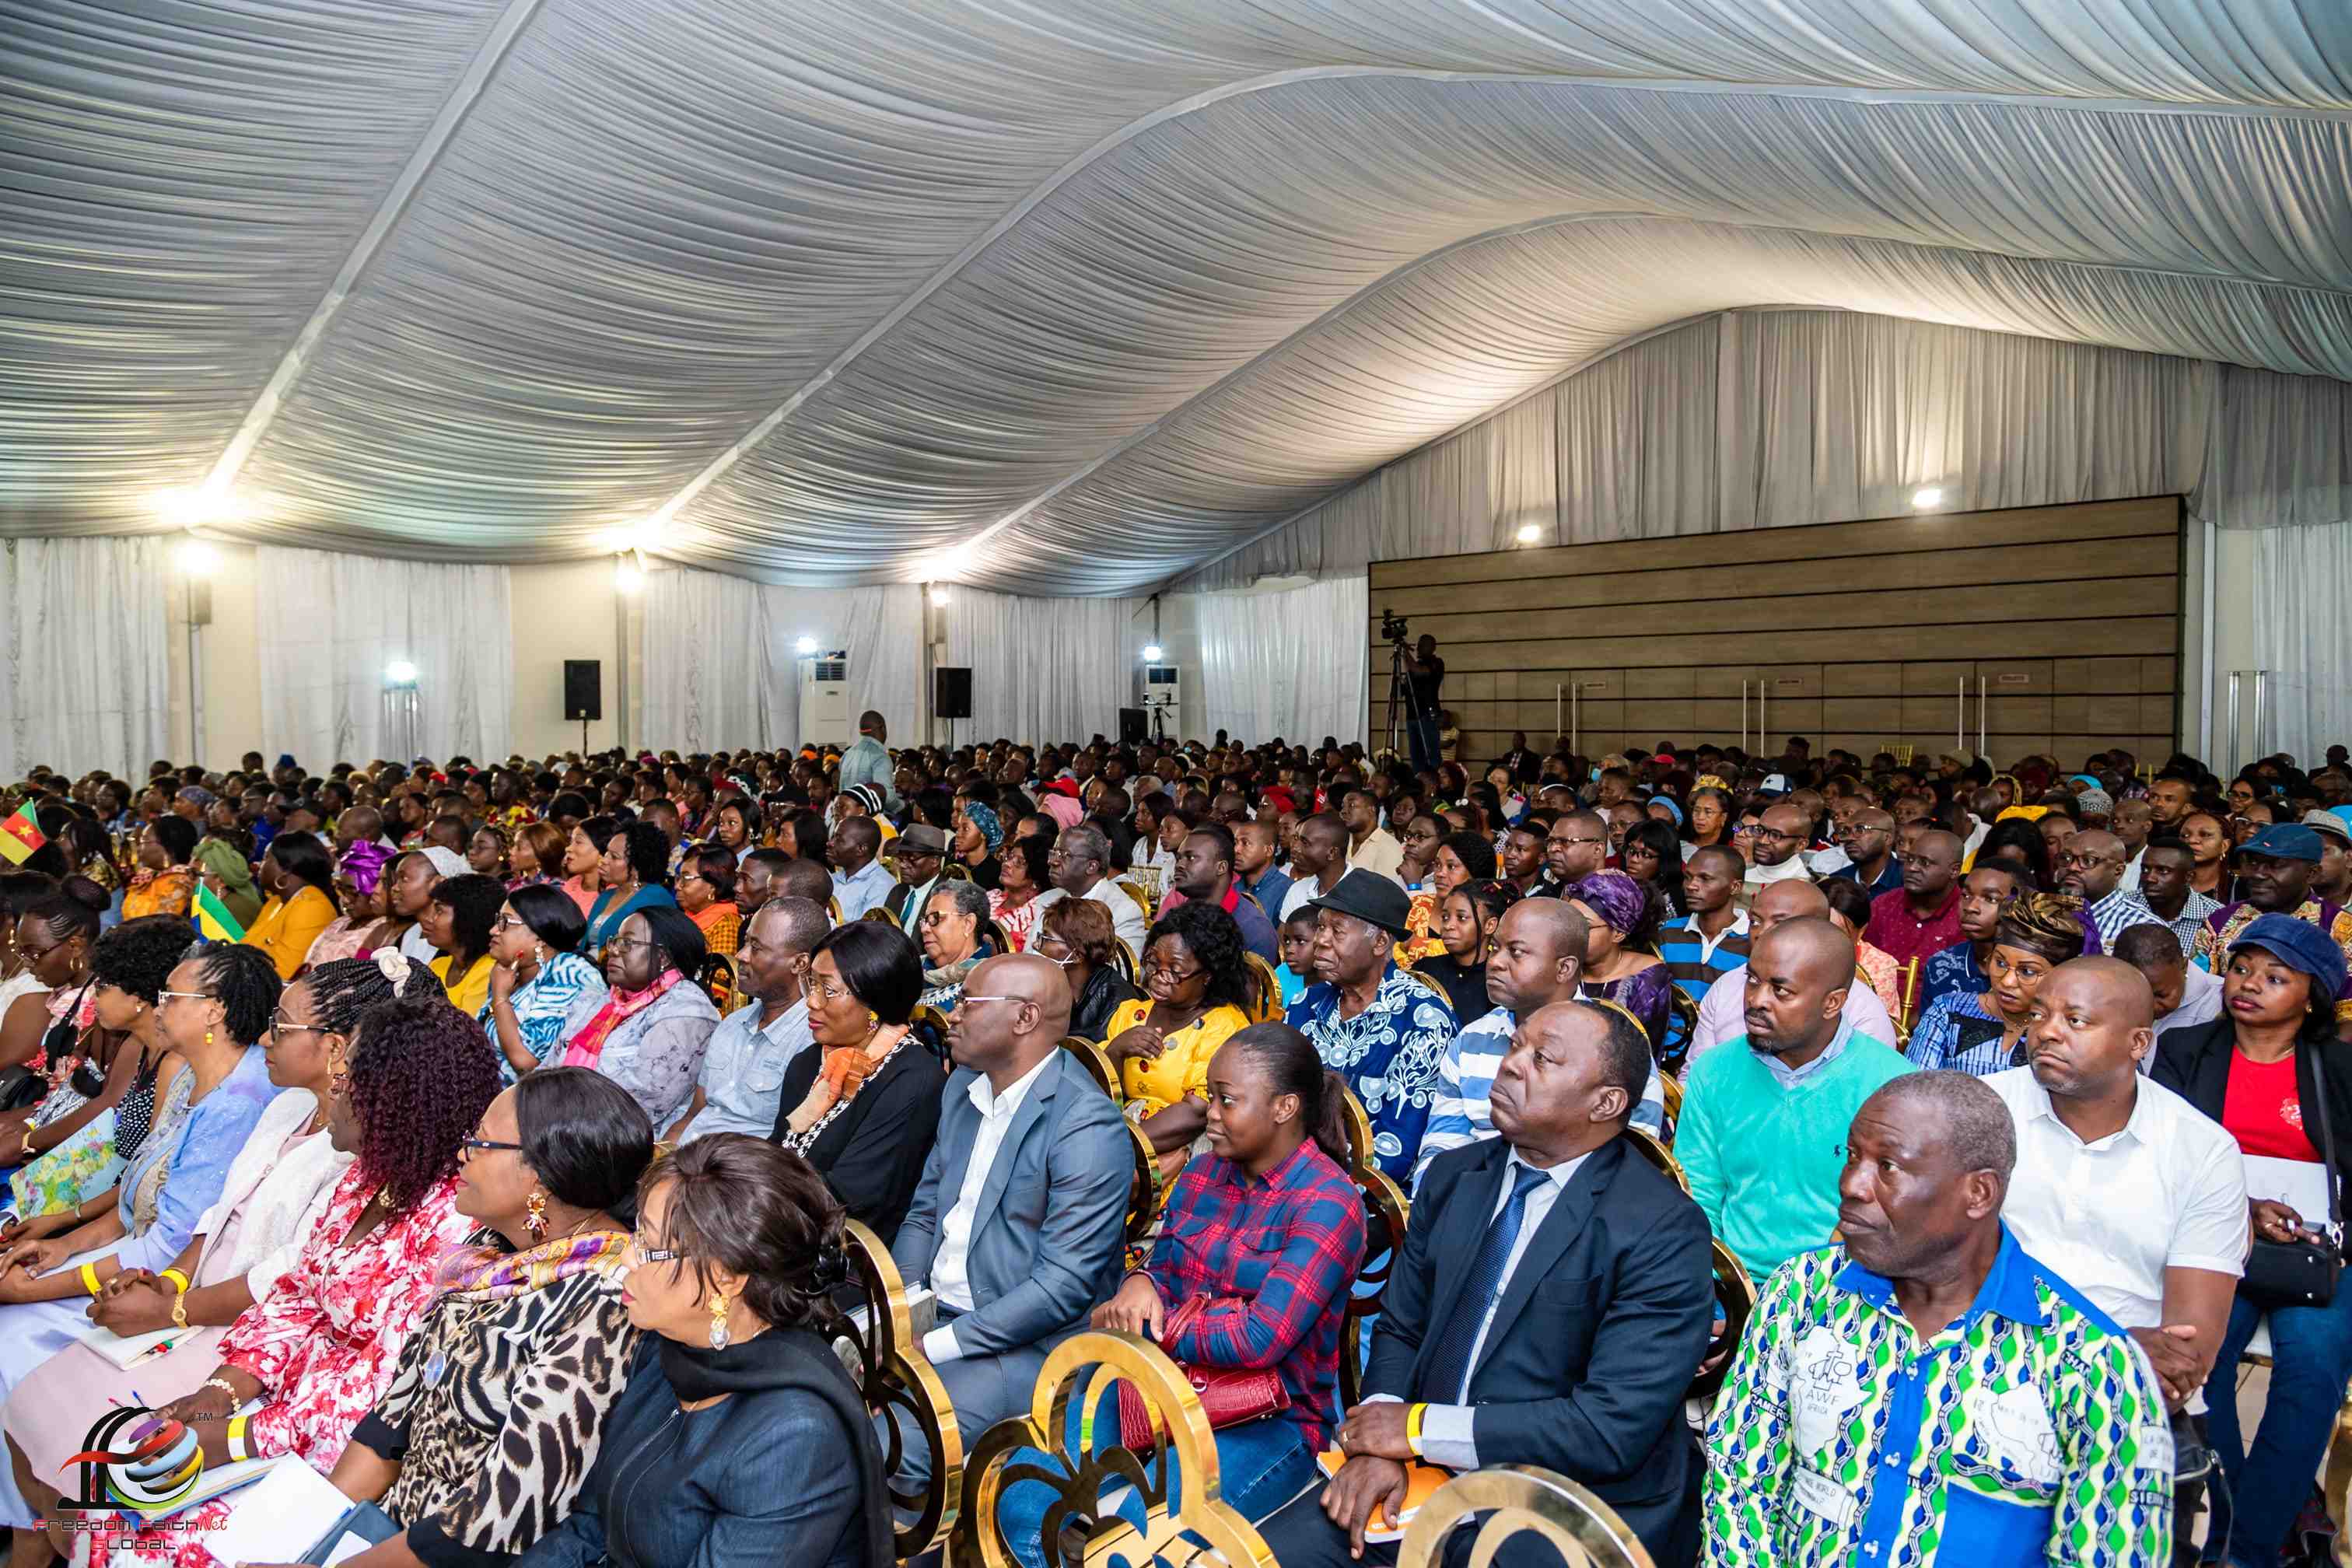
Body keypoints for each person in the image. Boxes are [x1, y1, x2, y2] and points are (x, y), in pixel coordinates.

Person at [1260, 1001, 1715, 1568]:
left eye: (1542, 1059)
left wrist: (1420, 1431)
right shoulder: (1456, 1177)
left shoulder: (1659, 1228)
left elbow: (1608, 1429)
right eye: (1515, 1045)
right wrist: (1382, 1437)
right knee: (1258, 1557)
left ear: (1606, 1103)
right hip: (1415, 1471)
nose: (1511, 1065)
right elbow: (1402, 1327)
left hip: (1561, 1502)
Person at [0, 954, 425, 1542]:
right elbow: (215, 1214)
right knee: (32, 1409)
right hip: (197, 1300)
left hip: (237, 1327)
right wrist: (172, 1282)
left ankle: (77, 1541)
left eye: (281, 1026)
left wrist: (173, 1310)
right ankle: (47, 1538)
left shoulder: (354, 1149)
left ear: (334, 1048)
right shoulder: (286, 1106)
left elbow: (282, 1282)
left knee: (94, 1461)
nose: (266, 1038)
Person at [75, 986, 499, 1568]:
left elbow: (378, 1394)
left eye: (349, 1077)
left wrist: (233, 1440)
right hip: (272, 1412)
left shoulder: (452, 1226)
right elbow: (294, 1298)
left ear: (396, 1102)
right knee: (99, 1505)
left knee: (134, 1553)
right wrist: (219, 1393)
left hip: (331, 1460)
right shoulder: (365, 1181)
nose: (336, 1088)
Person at [1702, 1070, 2176, 1568]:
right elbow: (1740, 1481)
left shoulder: (2091, 1363)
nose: (1851, 1185)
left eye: (1887, 1166)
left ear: (1979, 1194)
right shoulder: (1801, 1294)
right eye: (1853, 1157)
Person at [268, 1069, 651, 1568]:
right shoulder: (490, 1253)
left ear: (538, 1175)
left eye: (482, 1142)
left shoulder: (602, 1302)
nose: (463, 1153)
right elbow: (392, 1423)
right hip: (385, 1534)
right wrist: (310, 1540)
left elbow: (500, 1516)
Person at [0, 942, 283, 1528]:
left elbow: (164, 1245)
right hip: (131, 1253)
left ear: (213, 1011)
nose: (157, 1006)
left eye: (170, 996)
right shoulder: (187, 1080)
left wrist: (35, 1290)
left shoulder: (240, 1100)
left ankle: (31, 1517)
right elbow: (135, 1199)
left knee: (9, 1342)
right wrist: (61, 1244)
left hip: (167, 1279)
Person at [520, 1136, 891, 1568]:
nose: (627, 1261)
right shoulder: (673, 1353)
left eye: (649, 1247)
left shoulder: (794, 1439)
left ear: (726, 1278)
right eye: (636, 1233)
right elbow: (590, 1527)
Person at [1984, 957, 2245, 1545]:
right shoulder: (1979, 1112)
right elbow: (1929, 1286)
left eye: (2076, 1020)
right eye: (2041, 1014)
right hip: (1978, 1383)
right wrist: (2109, 1350)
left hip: (2130, 1409)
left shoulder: (2201, 1151)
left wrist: (2021, 1343)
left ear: (2138, 1043)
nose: (2047, 1031)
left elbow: (2186, 1354)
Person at [1067, 1026, 1365, 1541]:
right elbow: (1168, 1271)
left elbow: (1259, 1340)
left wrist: (1157, 1323)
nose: (1210, 1114)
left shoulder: (1328, 1202)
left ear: (1284, 1108)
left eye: (1227, 1101)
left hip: (1274, 1420)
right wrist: (1142, 1283)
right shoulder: (1204, 1172)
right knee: (1027, 1502)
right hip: (1164, 1386)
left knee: (1137, 1543)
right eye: (1210, 1097)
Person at [887, 953, 1131, 1493]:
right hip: (938, 1315)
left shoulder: (1085, 1126)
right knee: (816, 1391)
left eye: (969, 1002)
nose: (951, 1013)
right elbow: (926, 1209)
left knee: (892, 1439)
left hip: (1027, 1344)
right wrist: (903, 1305)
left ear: (1024, 1019)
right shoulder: (963, 1087)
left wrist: (935, 1344)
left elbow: (1062, 1289)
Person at [2153, 915, 2352, 1568]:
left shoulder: (2339, 1066)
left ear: (2312, 995)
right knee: (2202, 1361)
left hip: (2318, 1250)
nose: (2249, 985)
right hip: (2212, 1238)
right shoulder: (2187, 1050)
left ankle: (2251, 1550)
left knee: (2312, 1368)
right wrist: (2241, 1208)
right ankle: (2239, 1515)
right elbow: (2162, 1158)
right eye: (2241, 969)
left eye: (2275, 977)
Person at [1679, 916, 1913, 1273]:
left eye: (1780, 990)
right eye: (1752, 981)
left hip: (1841, 1288)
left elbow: (1895, 1219)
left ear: (1832, 1003)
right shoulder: (1714, 1072)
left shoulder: (1892, 1087)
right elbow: (1699, 1196)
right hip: (1731, 1283)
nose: (1756, 1000)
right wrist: (1712, 1287)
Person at [1419, 899, 1668, 1185]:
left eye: (1516, 952)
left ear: (1564, 968)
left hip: (1575, 1211)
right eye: (1494, 948)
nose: (1495, 962)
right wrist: (1439, 1206)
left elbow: (1636, 1154)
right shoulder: (1473, 1039)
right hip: (1474, 1201)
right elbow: (1442, 1143)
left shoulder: (1614, 1046)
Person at [768, 921, 941, 1241]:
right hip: (783, 1222)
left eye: (829, 990)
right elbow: (778, 1149)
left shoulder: (912, 1080)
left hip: (844, 1249)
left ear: (875, 1004)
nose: (812, 1002)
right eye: (811, 985)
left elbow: (853, 1196)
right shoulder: (809, 1063)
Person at [1285, 870, 1455, 1182]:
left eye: (1337, 931)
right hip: (1285, 1171)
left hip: (1357, 1191)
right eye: (1321, 926)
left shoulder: (1424, 1021)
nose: (1320, 941)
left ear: (1379, 943)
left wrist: (1308, 1187)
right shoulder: (1305, 1004)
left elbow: (1396, 1150)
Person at [1102, 901, 1255, 1180]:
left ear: (1208, 975)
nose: (1159, 977)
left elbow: (1197, 1113)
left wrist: (1118, 1146)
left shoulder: (1224, 1029)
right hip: (1118, 1134)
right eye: (1153, 963)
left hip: (1186, 1148)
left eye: (1175, 969)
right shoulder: (1133, 1013)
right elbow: (1100, 1091)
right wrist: (1117, 1049)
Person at [1686, 879, 1899, 1061]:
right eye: (1755, 921)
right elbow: (1695, 1075)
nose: (1762, 933)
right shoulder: (1727, 986)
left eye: (1781, 923)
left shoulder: (1862, 1010)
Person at [674, 897, 824, 1143]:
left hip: (739, 1171)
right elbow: (693, 1115)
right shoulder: (732, 1024)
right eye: (746, 943)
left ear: (799, 963)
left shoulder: (811, 1040)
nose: (741, 956)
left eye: (757, 947)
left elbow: (788, 1146)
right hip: (689, 1154)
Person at [563, 905, 718, 1129]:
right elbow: (551, 1066)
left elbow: (641, 1104)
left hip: (620, 1139)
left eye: (627, 943)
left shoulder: (686, 1012)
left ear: (662, 956)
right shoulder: (601, 1000)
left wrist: (553, 1111)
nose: (614, 950)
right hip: (564, 1120)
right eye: (615, 941)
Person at [2189, 823, 2352, 1034]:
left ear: (2311, 873)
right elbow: (2198, 996)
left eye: (2276, 865)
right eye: (2253, 863)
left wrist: (2319, 1062)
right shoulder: (2220, 922)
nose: (2259, 874)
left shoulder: (2340, 928)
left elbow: (2348, 1018)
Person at [482, 882, 612, 1081]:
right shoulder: (510, 972)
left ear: (539, 936)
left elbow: (527, 1062)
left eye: (505, 923)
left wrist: (500, 998)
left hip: (539, 1102)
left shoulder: (569, 974)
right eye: (497, 920)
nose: (493, 930)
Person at [1566, 870, 1672, 1059]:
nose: (1572, 932)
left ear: (1618, 933)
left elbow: (1639, 1055)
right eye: (1568, 921)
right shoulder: (1561, 964)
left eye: (1585, 925)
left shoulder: (1646, 978)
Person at [1915, 861, 2025, 1015]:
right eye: (1966, 895)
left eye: (1991, 899)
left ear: (2021, 906)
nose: (1970, 907)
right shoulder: (1941, 965)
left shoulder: (2032, 974)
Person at [1164, 822, 1279, 965]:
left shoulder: (1253, 930)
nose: (1179, 865)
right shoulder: (1177, 916)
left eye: (1191, 858)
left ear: (1221, 867)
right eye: (1179, 858)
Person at [1034, 894, 1139, 1041]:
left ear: (1077, 956)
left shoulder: (1117, 1004)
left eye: (1047, 939)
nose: (1036, 945)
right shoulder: (1048, 983)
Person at [238, 831, 338, 979]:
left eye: (267, 859)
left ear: (286, 870)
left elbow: (281, 974)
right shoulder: (276, 902)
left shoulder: (311, 907)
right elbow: (245, 947)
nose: (259, 864)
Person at [1863, 828, 1966, 968]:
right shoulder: (1884, 905)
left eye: (1925, 863)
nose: (1912, 868)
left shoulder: (1967, 914)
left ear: (1954, 870)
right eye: (1909, 860)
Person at [1417, 878, 1514, 1026]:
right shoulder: (1425, 969)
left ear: (1490, 925)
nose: (1449, 926)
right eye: (1445, 917)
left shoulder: (1499, 981)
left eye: (1461, 918)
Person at [2116, 923, 2224, 1045]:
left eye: (2161, 995)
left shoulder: (2220, 1005)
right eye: (2137, 996)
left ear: (2184, 967)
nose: (2150, 1007)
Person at [420, 870, 506, 1016]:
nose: (428, 919)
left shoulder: (489, 971)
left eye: (439, 911)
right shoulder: (437, 965)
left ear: (468, 917)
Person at [2059, 828, 2162, 950]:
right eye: (2066, 858)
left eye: (2088, 860)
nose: (2072, 867)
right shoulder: (2041, 912)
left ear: (2118, 871)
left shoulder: (2144, 926)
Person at [583, 824, 678, 954]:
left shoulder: (655, 898)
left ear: (636, 866)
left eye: (614, 857)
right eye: (606, 853)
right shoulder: (606, 896)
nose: (604, 860)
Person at [917, 877, 994, 1010]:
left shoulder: (987, 983)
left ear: (968, 924)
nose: (924, 929)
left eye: (936, 918)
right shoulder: (912, 968)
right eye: (925, 920)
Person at [986, 834, 1059, 954]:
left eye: (1019, 862)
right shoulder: (990, 897)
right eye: (1009, 857)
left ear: (1036, 876)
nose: (1007, 864)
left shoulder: (1039, 915)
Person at [880, 823, 950, 940]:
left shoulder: (948, 897)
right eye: (901, 858)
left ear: (935, 861)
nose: (902, 865)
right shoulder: (897, 892)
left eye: (911, 858)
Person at [121, 816, 199, 919]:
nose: (139, 848)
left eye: (144, 841)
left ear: (167, 847)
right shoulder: (148, 877)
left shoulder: (181, 882)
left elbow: (159, 926)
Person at [1279, 813, 1351, 922]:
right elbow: (1284, 937)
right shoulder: (1298, 890)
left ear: (1332, 853)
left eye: (1305, 842)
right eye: (1296, 838)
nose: (1295, 848)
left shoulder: (1361, 895)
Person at [677, 845, 742, 960]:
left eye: (686, 879)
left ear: (713, 886)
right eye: (678, 878)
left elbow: (718, 975)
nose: (677, 886)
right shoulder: (686, 917)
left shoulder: (726, 925)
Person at [837, 709, 898, 815]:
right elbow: (887, 797)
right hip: (867, 819)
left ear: (861, 732)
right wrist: (903, 806)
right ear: (882, 728)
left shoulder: (847, 754)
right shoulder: (880, 756)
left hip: (846, 815)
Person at [1831, 807, 1902, 897]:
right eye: (1846, 832)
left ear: (1887, 838)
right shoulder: (1837, 882)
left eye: (1860, 830)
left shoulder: (1907, 880)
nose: (1849, 838)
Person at [1234, 817, 1294, 920]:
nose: (1236, 849)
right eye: (1236, 842)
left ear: (1269, 850)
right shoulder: (1231, 882)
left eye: (1246, 843)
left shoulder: (1287, 890)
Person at [1402, 633, 1444, 772]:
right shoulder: (1414, 665)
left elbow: (1419, 672)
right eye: (1418, 644)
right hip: (1411, 716)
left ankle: (1435, 785)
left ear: (1432, 647)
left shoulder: (1437, 663)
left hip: (1428, 715)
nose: (1418, 647)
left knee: (1432, 756)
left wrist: (1404, 651)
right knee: (1416, 757)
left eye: (1422, 645)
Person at [1542, 810, 1610, 892]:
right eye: (1551, 841)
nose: (1553, 849)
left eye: (1566, 842)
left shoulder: (1611, 899)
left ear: (1597, 850)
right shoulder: (1548, 894)